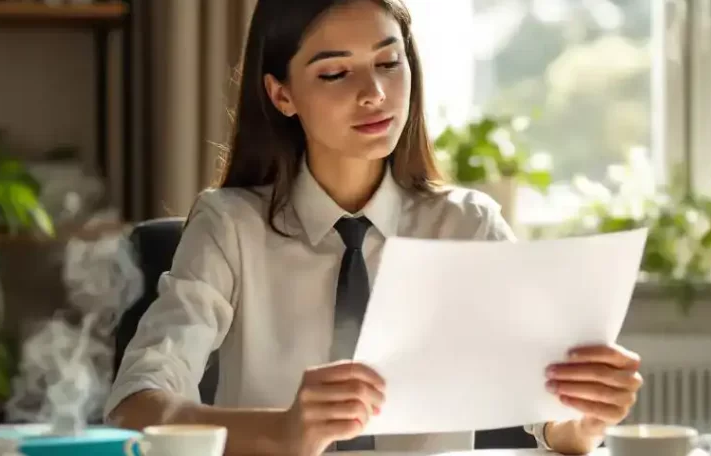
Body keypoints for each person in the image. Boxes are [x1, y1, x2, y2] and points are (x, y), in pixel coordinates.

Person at [104, 0, 643, 454]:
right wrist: (283, 431)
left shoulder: (467, 225)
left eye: (389, 63)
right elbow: (134, 409)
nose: (374, 94)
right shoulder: (230, 225)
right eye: (336, 72)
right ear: (281, 94)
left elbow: (546, 415)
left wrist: (586, 419)